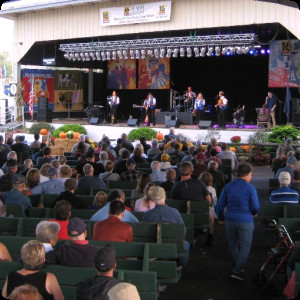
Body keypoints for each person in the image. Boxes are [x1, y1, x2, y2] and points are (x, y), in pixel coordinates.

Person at [216, 163, 260, 281]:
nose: (251, 177)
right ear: (245, 175)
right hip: (246, 220)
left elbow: (220, 206)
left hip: (230, 219)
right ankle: (237, 270)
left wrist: (221, 218)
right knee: (245, 246)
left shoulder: (229, 186)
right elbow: (255, 206)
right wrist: (253, 212)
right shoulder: (250, 188)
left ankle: (237, 267)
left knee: (232, 244)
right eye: (250, 175)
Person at [142, 186, 189, 266]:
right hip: (173, 247)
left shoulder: (147, 214)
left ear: (152, 199)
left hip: (153, 248)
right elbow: (183, 231)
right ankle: (179, 266)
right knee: (186, 244)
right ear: (165, 197)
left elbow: (142, 233)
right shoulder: (174, 212)